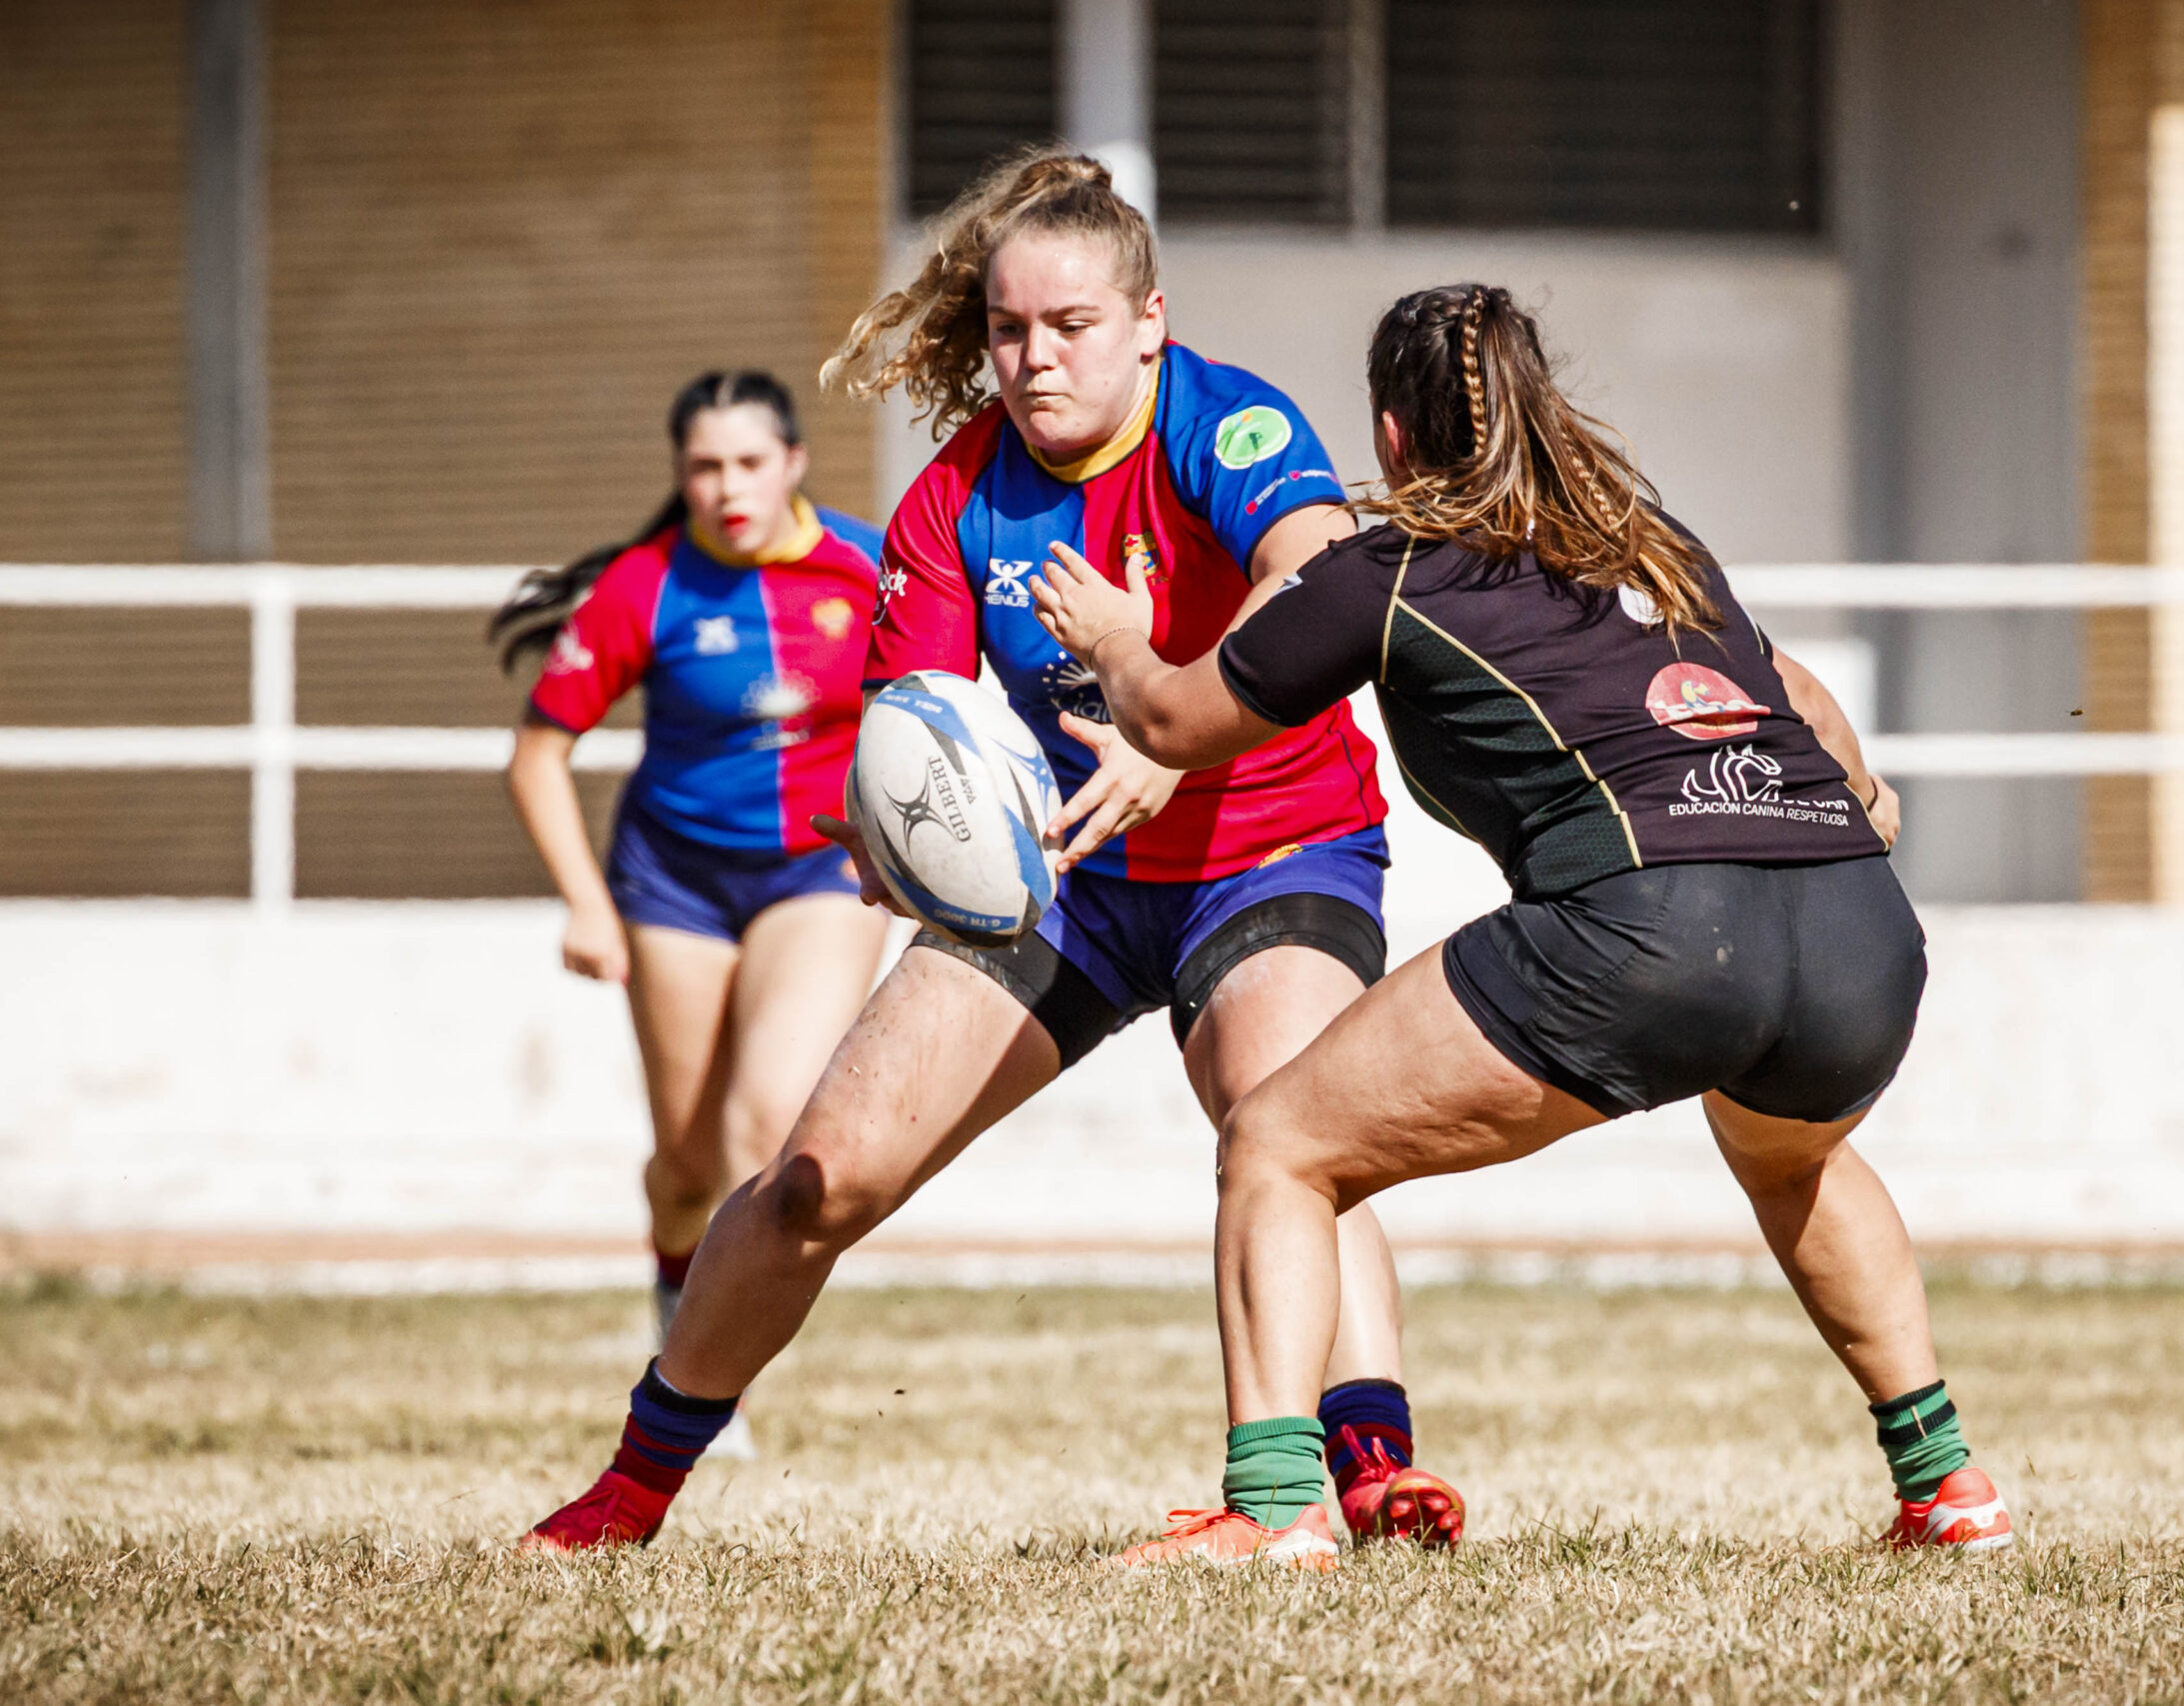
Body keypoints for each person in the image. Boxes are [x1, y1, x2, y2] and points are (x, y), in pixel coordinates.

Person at [521, 153, 1465, 1551]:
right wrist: (889, 826)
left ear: (1149, 319)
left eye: (1072, 326)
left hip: (1270, 849)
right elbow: (912, 715)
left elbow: (1316, 572)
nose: (1034, 360)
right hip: (1060, 879)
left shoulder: (1224, 420)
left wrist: (1170, 725)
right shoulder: (956, 493)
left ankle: (1370, 1468)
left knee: (1287, 1127)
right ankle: (630, 1487)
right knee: (815, 1179)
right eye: (1011, 329)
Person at [1034, 284, 2013, 1569]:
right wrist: (1862, 805)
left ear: (1390, 435)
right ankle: (1945, 1483)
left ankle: (1271, 1512)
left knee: (1276, 1143)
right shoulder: (1652, 542)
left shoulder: (1383, 573)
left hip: (1651, 925)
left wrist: (1115, 638)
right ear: (1542, 403)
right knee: (1792, 1161)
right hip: (1855, 931)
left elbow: (1170, 723)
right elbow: (1794, 697)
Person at [492, 370, 892, 1460]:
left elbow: (938, 700)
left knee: (768, 1126)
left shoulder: (866, 564)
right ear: (681, 476)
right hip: (673, 888)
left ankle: (706, 1393)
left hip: (818, 874)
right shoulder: (643, 585)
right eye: (704, 468)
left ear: (794, 463)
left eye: (749, 464)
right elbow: (537, 756)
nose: (727, 488)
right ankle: (674, 1294)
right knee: (684, 1162)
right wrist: (587, 906)